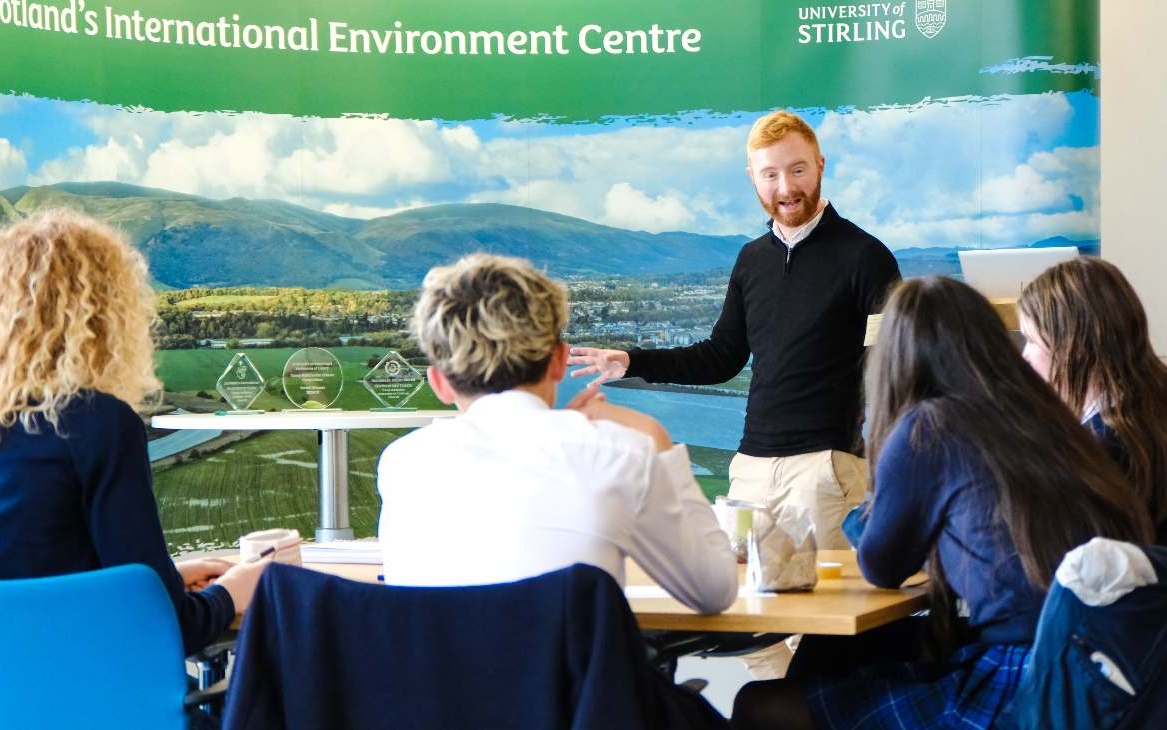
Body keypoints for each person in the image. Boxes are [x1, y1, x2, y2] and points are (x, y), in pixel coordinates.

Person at [730, 276, 1152, 730]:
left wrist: (876, 497)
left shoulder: (929, 427)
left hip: (1028, 673)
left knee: (762, 705)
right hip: (1094, 661)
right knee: (836, 649)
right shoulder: (1049, 420)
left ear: (895, 363)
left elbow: (880, 564)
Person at [0, 210, 265, 657]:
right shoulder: (95, 423)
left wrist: (167, 576)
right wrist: (234, 591)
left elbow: (19, 576)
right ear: (103, 319)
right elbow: (166, 630)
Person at [568, 110, 900, 551]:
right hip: (750, 471)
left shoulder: (866, 257)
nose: (785, 188)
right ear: (752, 177)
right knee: (749, 610)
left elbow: (893, 367)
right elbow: (722, 356)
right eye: (770, 174)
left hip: (826, 468)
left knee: (825, 616)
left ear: (820, 165)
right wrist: (633, 360)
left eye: (797, 169)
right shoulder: (751, 260)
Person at [376, 253, 737, 615]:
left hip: (441, 672)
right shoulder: (620, 454)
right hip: (571, 672)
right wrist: (655, 438)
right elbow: (714, 590)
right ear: (560, 361)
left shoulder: (401, 463)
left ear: (439, 383)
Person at [1018, 256, 1167, 544]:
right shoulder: (1149, 408)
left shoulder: (1103, 448)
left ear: (1075, 346)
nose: (1024, 356)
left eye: (1032, 341)